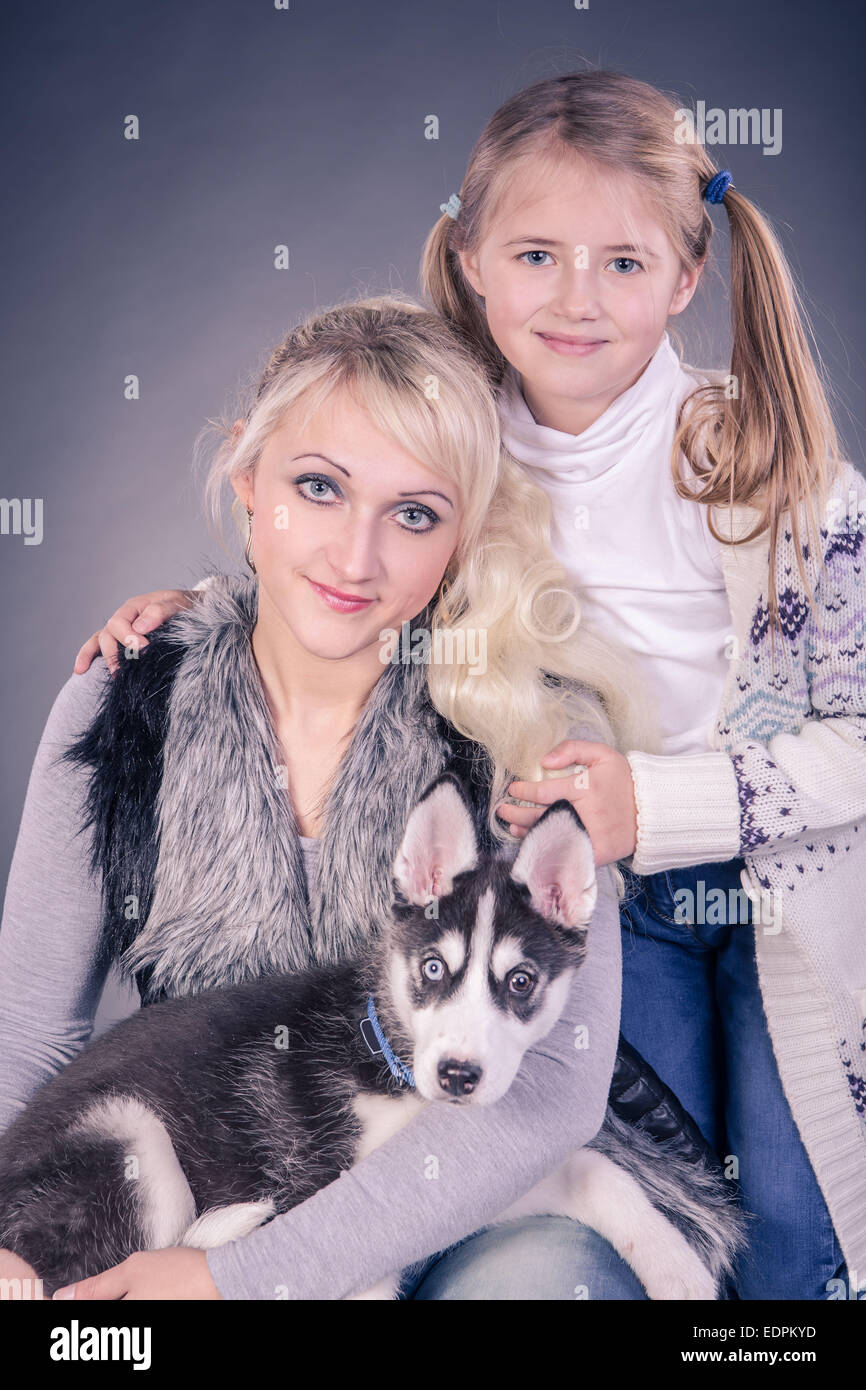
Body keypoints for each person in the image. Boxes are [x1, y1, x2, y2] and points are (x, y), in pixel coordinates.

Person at [81, 70, 866, 1299]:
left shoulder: (773, 469)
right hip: (586, 898)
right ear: (469, 258)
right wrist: (204, 609)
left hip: (777, 886)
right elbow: (340, 540)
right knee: (662, 1211)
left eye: (621, 261)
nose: (572, 297)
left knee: (787, 1210)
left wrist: (658, 807)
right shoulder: (461, 440)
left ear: (687, 273)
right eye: (536, 252)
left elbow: (856, 738)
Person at [0, 294, 676, 1302]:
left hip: (477, 1201)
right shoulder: (122, 699)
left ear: (462, 535)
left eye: (413, 513)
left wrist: (241, 1279)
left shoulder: (534, 732)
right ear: (246, 480)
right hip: (222, 1183)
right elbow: (30, 1036)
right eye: (317, 488)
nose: (355, 559)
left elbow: (548, 1103)